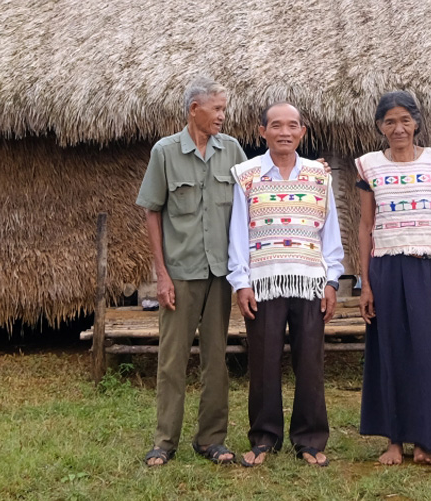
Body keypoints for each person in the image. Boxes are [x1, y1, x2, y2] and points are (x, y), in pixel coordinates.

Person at [135, 78, 248, 467]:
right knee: (172, 359)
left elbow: (256, 194)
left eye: (224, 108)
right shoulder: (165, 152)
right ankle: (164, 441)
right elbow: (152, 211)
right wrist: (161, 275)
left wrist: (308, 172)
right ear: (194, 109)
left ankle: (211, 439)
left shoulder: (231, 150)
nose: (223, 115)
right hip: (180, 274)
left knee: (216, 359)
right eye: (217, 108)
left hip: (220, 273)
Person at [227, 102, 345, 468]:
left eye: (292, 126)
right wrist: (241, 282)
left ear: (302, 132)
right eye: (276, 125)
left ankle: (309, 440)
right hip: (262, 282)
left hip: (309, 281)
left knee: (310, 361)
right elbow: (238, 232)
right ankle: (264, 438)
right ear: (262, 132)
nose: (284, 132)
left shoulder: (318, 175)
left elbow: (330, 232)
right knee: (263, 361)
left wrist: (332, 280)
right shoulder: (246, 175)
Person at [354, 90, 431, 465]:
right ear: (380, 127)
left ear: (416, 122)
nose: (398, 128)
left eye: (404, 120)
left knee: (428, 354)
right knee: (390, 352)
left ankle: (426, 440)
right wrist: (366, 284)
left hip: (428, 266)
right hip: (386, 268)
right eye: (389, 121)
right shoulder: (368, 165)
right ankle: (394, 441)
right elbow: (366, 225)